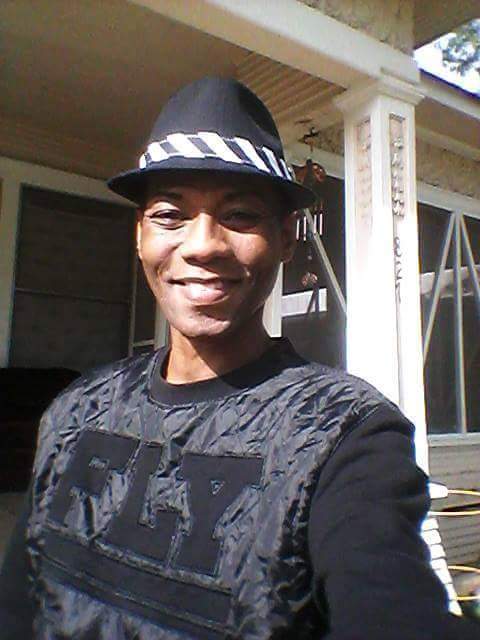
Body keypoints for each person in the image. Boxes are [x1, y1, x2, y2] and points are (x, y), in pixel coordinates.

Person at [0, 76, 478, 640]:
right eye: (170, 214)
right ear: (139, 234)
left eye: (241, 215)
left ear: (286, 237)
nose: (203, 244)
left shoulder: (343, 436)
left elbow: (389, 601)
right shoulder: (77, 410)